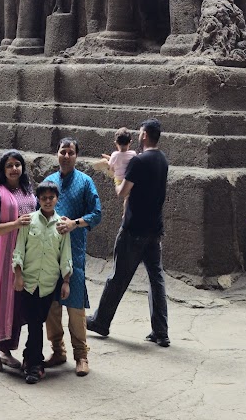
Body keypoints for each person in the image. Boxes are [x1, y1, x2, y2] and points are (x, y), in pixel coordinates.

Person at [88, 118, 169, 347]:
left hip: (134, 228)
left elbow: (122, 193)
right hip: (155, 228)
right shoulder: (162, 160)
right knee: (156, 279)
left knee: (118, 276)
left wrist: (112, 174)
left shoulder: (139, 162)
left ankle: (101, 321)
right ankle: (161, 332)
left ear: (144, 136)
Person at [40, 137, 102, 376]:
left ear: (77, 156)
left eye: (70, 152)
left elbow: (96, 213)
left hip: (74, 253)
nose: (66, 156)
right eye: (62, 151)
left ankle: (81, 355)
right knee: (51, 306)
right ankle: (57, 350)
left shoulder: (85, 183)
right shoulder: (49, 182)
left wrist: (75, 223)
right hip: (49, 254)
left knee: (75, 306)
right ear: (57, 154)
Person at [12, 181, 71, 384]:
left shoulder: (62, 224)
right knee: (35, 324)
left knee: (37, 323)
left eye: (51, 198)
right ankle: (34, 366)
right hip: (28, 283)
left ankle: (29, 359)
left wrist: (66, 281)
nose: (47, 201)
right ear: (38, 199)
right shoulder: (29, 222)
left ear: (56, 199)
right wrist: (18, 275)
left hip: (48, 284)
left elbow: (65, 256)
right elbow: (19, 250)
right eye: (43, 198)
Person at [0, 150, 36, 371]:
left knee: (19, 303)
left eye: (18, 165)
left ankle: (6, 349)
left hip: (28, 252)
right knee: (5, 300)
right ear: (3, 170)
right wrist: (15, 224)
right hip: (7, 255)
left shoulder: (28, 191)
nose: (15, 169)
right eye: (10, 166)